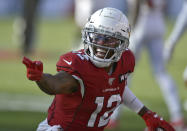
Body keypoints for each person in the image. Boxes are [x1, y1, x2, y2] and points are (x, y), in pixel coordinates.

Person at [22, 8, 174, 131]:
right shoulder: (78, 65)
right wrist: (40, 78)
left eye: (109, 39)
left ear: (121, 43)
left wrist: (146, 114)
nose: (101, 43)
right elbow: (56, 84)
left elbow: (117, 88)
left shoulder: (125, 60)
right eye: (96, 37)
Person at [108, 0, 187, 130]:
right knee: (161, 73)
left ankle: (114, 116)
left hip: (141, 25)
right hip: (158, 24)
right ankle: (177, 115)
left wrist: (131, 28)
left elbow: (138, 4)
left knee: (123, 73)